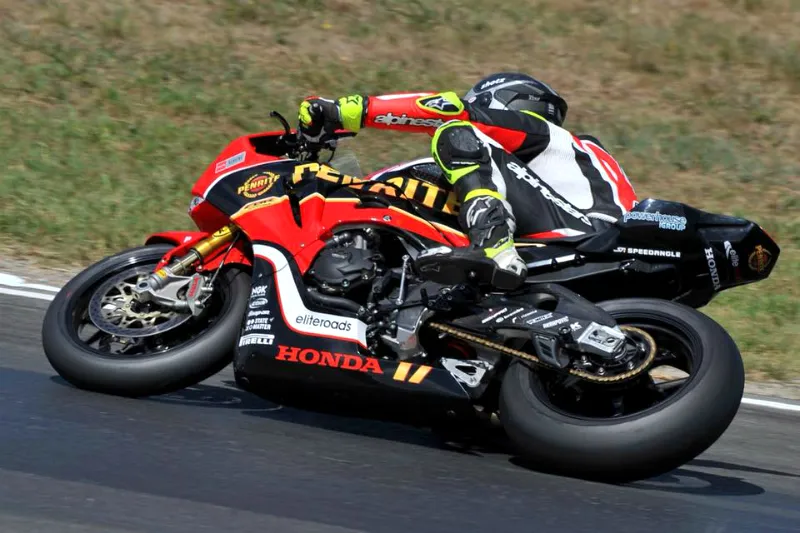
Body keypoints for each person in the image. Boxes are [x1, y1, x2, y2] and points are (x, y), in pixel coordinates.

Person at [298, 72, 636, 290]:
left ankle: (494, 246)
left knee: (455, 133)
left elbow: (452, 111)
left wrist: (347, 111)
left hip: (585, 236)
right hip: (570, 242)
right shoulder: (554, 166)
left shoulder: (546, 135)